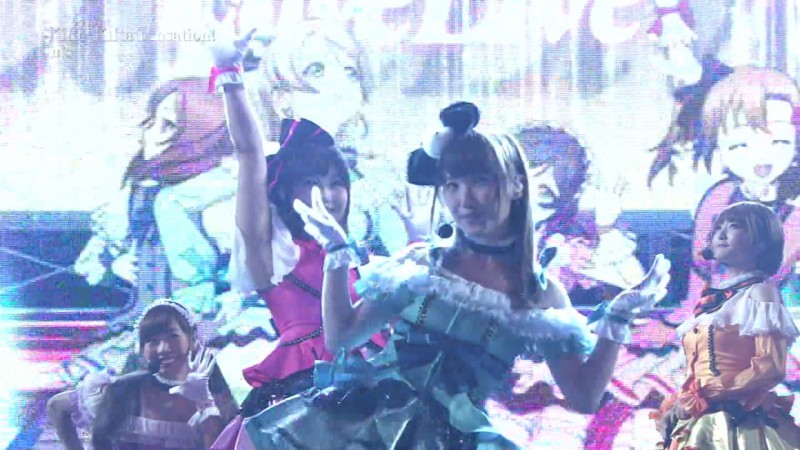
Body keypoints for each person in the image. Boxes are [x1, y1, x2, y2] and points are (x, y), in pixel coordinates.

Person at [233, 100, 671, 448]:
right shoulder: (421, 265)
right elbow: (342, 337)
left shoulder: (540, 294)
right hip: (363, 426)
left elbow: (584, 395)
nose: (464, 200)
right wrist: (335, 252)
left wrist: (618, 317)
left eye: (479, 181)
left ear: (516, 184)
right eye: (452, 185)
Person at [206, 27, 425, 449]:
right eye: (313, 182)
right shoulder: (272, 253)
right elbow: (250, 155)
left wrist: (417, 240)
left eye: (336, 182)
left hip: (378, 395)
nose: (329, 193)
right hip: (300, 400)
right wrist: (231, 76)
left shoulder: (357, 259)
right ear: (287, 191)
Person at [650, 201, 800, 449]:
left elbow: (769, 364)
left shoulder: (761, 295)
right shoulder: (716, 292)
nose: (720, 235)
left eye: (734, 229)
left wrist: (717, 390)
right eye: (719, 227)